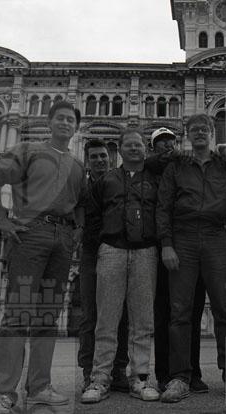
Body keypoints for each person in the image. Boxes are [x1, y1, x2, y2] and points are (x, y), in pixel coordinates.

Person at [0, 100, 86, 414]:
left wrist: (78, 230)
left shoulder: (77, 165)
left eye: (70, 120)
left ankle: (39, 388)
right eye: (60, 118)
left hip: (62, 240)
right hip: (30, 234)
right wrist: (2, 219)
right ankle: (4, 395)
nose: (65, 123)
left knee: (48, 316)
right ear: (50, 122)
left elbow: (81, 202)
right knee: (18, 313)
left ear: (76, 127)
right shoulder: (28, 150)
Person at [156, 114, 226, 403]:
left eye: (204, 129)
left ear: (212, 133)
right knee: (180, 312)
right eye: (194, 129)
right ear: (187, 134)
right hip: (182, 238)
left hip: (215, 238)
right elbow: (163, 208)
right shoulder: (177, 166)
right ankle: (180, 377)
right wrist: (167, 245)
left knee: (225, 310)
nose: (199, 133)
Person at [81, 129, 161, 404]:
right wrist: (100, 246)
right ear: (121, 149)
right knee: (106, 319)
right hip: (111, 250)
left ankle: (140, 379)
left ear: (145, 149)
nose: (134, 148)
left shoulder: (155, 179)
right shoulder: (107, 180)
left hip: (146, 252)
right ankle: (99, 379)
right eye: (129, 145)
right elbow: (92, 216)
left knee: (142, 320)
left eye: (138, 144)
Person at [148, 127, 209, 393]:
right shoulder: (150, 169)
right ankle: (164, 373)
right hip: (163, 247)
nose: (167, 146)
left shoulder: (188, 167)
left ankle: (192, 372)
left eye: (171, 141)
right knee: (164, 312)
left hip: (191, 246)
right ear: (153, 148)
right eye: (160, 142)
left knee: (192, 311)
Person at [77, 139, 129, 393]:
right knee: (90, 315)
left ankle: (118, 371)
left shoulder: (120, 183)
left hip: (117, 251)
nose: (99, 160)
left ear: (111, 157)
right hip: (90, 253)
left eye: (103, 156)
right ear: (87, 160)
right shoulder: (80, 187)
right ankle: (89, 372)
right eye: (94, 156)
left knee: (120, 314)